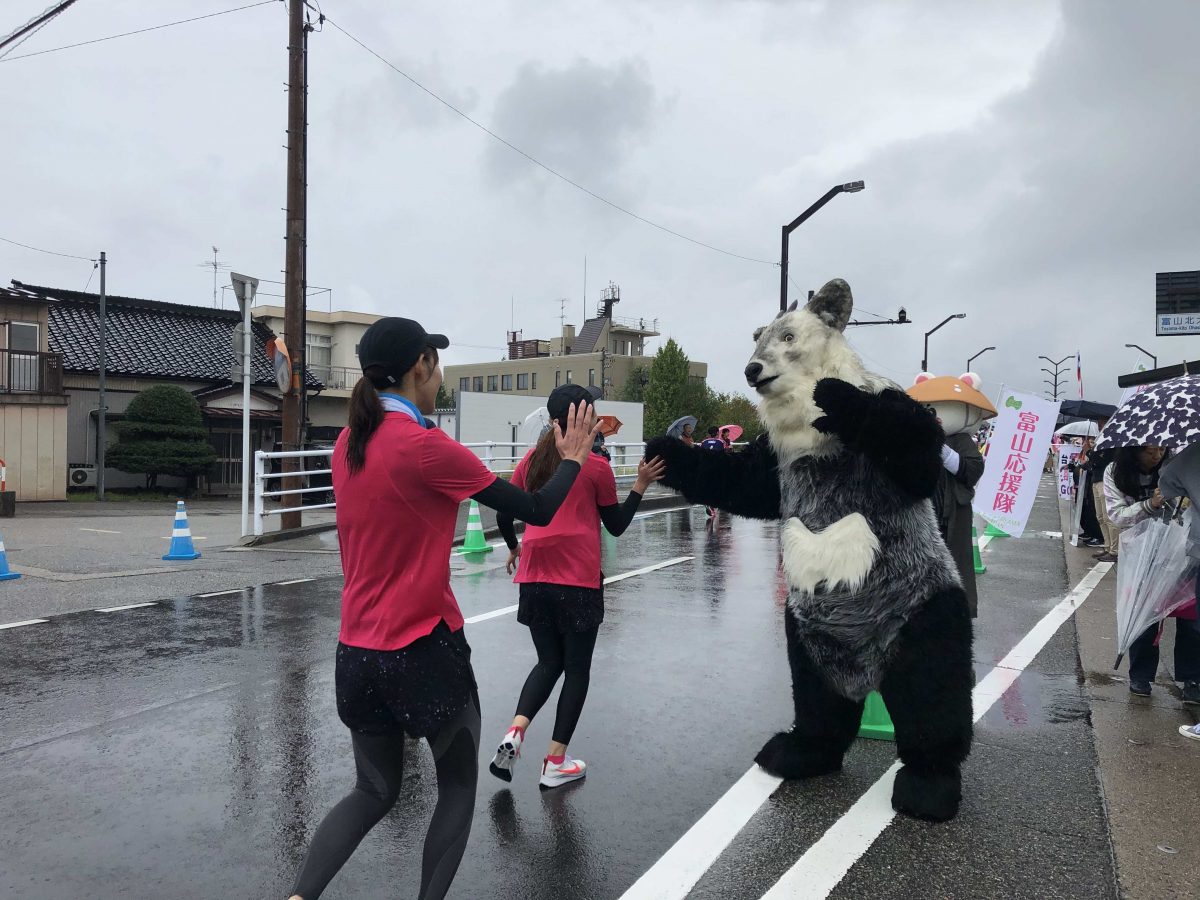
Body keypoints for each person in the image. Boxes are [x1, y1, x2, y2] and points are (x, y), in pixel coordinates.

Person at [288, 318, 600, 900]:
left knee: (372, 792)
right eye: (436, 362)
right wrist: (575, 458)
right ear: (419, 368)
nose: (440, 373)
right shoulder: (425, 447)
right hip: (423, 649)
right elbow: (534, 508)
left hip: (355, 654)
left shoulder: (346, 442)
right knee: (456, 790)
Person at [489, 384, 666, 788]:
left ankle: (514, 732)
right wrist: (639, 485)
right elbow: (617, 527)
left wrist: (516, 548)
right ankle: (554, 762)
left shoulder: (531, 461)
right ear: (582, 421)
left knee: (547, 663)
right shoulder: (597, 467)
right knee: (576, 670)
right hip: (578, 580)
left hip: (534, 578)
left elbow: (504, 514)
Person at [1104, 445, 1199, 703]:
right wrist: (1150, 504)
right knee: (1144, 614)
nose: (1157, 456)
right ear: (1132, 452)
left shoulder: (1179, 463)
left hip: (1182, 550)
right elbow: (1117, 516)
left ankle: (1192, 678)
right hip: (1141, 551)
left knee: (1191, 617)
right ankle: (1141, 675)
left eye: (1160, 450)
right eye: (1149, 451)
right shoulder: (1115, 472)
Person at [1154, 443, 1200, 706]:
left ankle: (1193, 680)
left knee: (1192, 617)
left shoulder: (1192, 453)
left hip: (1196, 549)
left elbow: (1168, 481)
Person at [931, 424, 986, 617]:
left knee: (955, 562)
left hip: (951, 513)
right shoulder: (911, 436)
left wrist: (943, 451)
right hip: (922, 515)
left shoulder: (960, 439)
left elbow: (974, 470)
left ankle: (955, 612)